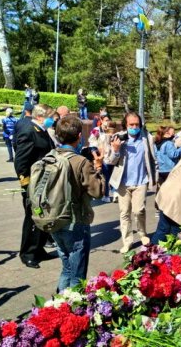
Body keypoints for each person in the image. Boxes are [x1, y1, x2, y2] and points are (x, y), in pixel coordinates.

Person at [51, 115, 105, 292]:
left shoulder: (50, 157)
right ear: (79, 136)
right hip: (75, 221)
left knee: (66, 267)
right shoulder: (80, 162)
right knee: (77, 274)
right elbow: (97, 192)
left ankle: (58, 308)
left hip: (53, 219)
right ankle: (74, 310)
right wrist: (98, 167)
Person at [105, 112, 156, 253]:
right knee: (124, 213)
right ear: (125, 125)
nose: (134, 127)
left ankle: (142, 234)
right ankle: (127, 241)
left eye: (137, 124)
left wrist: (155, 176)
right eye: (131, 125)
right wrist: (115, 150)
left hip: (141, 181)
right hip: (123, 183)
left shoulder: (147, 138)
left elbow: (153, 158)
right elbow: (109, 161)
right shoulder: (118, 138)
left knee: (139, 210)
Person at [14, 104, 55, 268]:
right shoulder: (29, 131)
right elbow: (21, 162)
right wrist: (26, 185)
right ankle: (27, 254)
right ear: (40, 116)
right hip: (33, 185)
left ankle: (38, 249)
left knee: (43, 218)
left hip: (44, 184)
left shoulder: (42, 131)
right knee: (32, 220)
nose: (53, 120)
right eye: (50, 117)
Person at [89, 113, 113, 202]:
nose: (107, 122)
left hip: (111, 156)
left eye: (108, 120)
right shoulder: (96, 130)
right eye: (106, 120)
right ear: (101, 121)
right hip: (101, 157)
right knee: (104, 175)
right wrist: (96, 155)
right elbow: (91, 142)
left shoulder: (111, 130)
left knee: (110, 175)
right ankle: (105, 194)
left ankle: (112, 193)